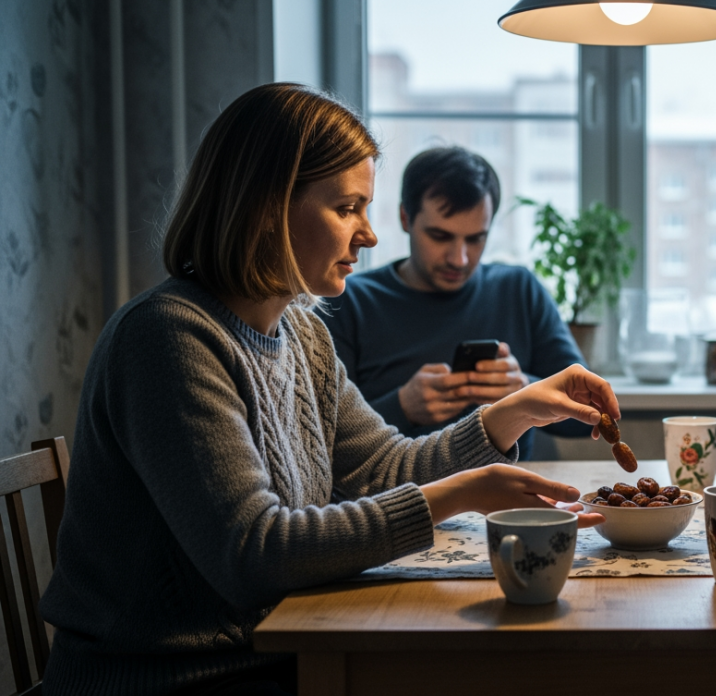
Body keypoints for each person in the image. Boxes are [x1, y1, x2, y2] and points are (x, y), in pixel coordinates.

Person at [39, 83, 612, 696]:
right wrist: (464, 491)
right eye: (347, 208)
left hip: (278, 657)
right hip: (167, 680)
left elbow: (381, 466)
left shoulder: (303, 333)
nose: (367, 235)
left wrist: (509, 414)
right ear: (268, 206)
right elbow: (255, 554)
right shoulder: (169, 338)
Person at [317, 146, 588, 460]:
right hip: (399, 500)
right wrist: (402, 407)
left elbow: (589, 419)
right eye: (440, 236)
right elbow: (321, 445)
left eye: (475, 239)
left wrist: (525, 392)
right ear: (406, 217)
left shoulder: (519, 289)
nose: (459, 259)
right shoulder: (347, 300)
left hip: (507, 502)